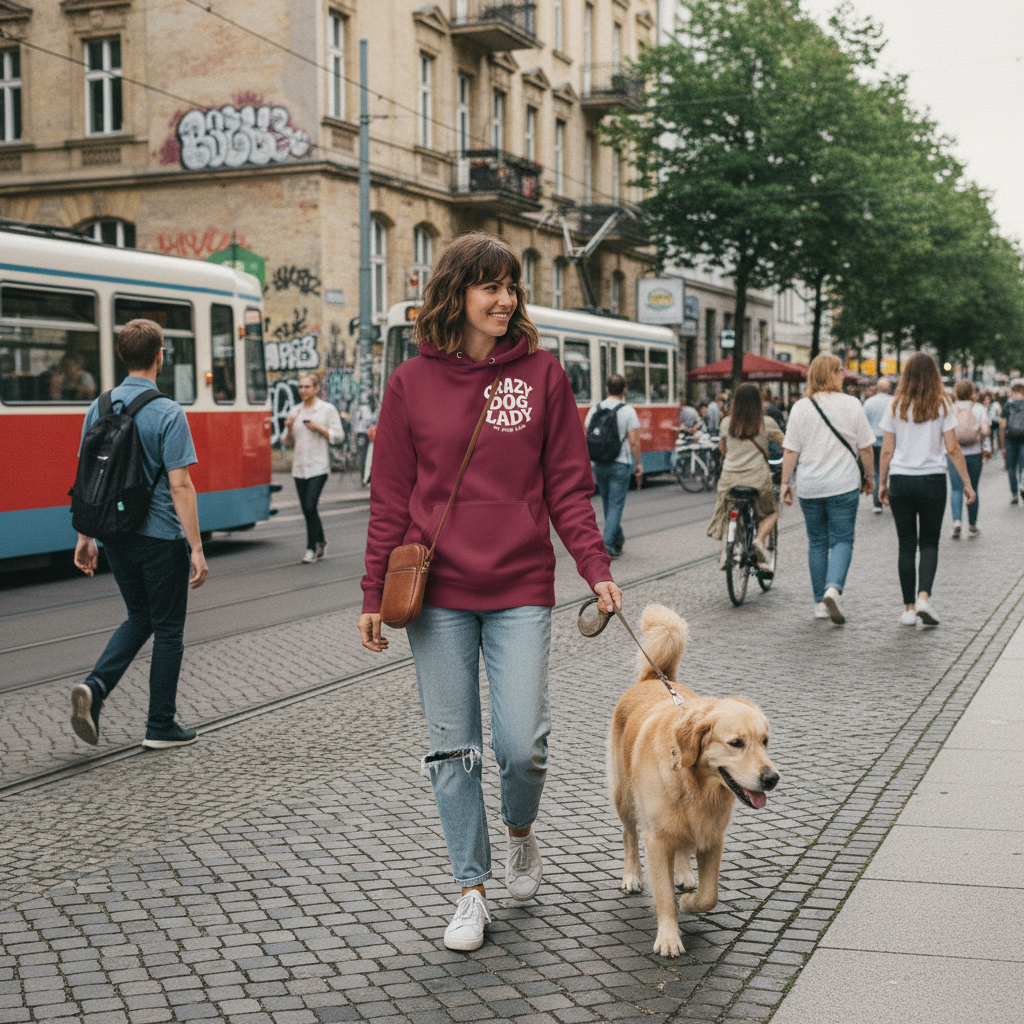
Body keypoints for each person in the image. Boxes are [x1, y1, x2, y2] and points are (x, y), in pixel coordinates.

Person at [356, 232, 621, 953]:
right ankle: (470, 889)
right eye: (490, 287)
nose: (506, 300)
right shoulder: (409, 383)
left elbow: (568, 486)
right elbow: (390, 498)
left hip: (519, 585)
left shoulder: (541, 375)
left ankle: (521, 831)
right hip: (436, 592)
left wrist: (595, 568)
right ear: (456, 294)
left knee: (521, 744)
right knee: (454, 750)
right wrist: (372, 592)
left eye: (511, 287)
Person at [70, 319, 208, 750]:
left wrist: (85, 535)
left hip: (115, 535)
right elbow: (180, 485)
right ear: (160, 356)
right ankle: (160, 725)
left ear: (121, 356)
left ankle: (95, 687)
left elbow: (88, 476)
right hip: (160, 537)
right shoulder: (168, 412)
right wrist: (196, 548)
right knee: (168, 629)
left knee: (140, 617)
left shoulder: (99, 406)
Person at [878, 352, 974, 627]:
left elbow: (887, 450)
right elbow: (953, 449)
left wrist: (883, 482)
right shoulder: (942, 404)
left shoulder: (895, 404)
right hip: (932, 479)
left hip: (901, 479)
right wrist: (967, 483)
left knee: (906, 545)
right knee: (929, 543)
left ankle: (908, 609)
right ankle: (923, 598)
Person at [780, 354, 875, 624]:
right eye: (839, 370)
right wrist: (869, 476)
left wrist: (785, 483)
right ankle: (833, 588)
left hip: (810, 485)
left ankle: (820, 604)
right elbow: (865, 448)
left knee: (817, 542)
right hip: (843, 484)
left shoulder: (801, 407)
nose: (843, 375)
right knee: (842, 539)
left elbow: (791, 450)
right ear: (831, 374)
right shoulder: (852, 404)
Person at [707, 382, 784, 571]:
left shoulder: (726, 423)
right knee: (771, 512)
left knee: (728, 512)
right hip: (757, 478)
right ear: (759, 401)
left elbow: (723, 449)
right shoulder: (767, 423)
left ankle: (726, 553)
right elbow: (786, 445)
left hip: (730, 478)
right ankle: (759, 540)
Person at [284, 374, 345, 563]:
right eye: (301, 387)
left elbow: (339, 436)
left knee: (310, 506)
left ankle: (311, 548)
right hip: (299, 467)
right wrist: (289, 427)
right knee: (307, 509)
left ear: (316, 388)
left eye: (307, 387)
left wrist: (318, 427)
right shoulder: (295, 411)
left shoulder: (327, 409)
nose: (303, 390)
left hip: (318, 466)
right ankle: (321, 540)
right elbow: (287, 442)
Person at [586, 374, 643, 558]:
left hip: (600, 464)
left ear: (606, 388)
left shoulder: (595, 409)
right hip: (620, 463)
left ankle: (618, 540)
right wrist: (638, 463)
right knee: (615, 506)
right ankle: (608, 545)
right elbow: (634, 441)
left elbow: (588, 435)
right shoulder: (628, 411)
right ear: (624, 390)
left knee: (608, 504)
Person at [947, 379, 989, 539]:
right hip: (974, 453)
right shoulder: (978, 408)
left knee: (956, 488)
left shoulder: (950, 408)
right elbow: (986, 430)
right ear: (972, 392)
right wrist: (978, 432)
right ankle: (972, 525)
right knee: (973, 487)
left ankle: (957, 521)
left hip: (953, 453)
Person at [861, 377, 893, 514]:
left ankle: (877, 502)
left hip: (872, 441)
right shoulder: (893, 402)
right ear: (889, 388)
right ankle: (891, 498)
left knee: (876, 471)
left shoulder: (869, 403)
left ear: (877, 388)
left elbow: (863, 423)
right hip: (890, 442)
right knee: (891, 471)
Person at [999, 379, 1024, 504]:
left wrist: (1002, 445)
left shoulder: (1007, 405)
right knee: (1023, 467)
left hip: (1010, 440)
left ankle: (1014, 494)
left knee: (1011, 468)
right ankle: (1022, 485)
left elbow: (1002, 425)